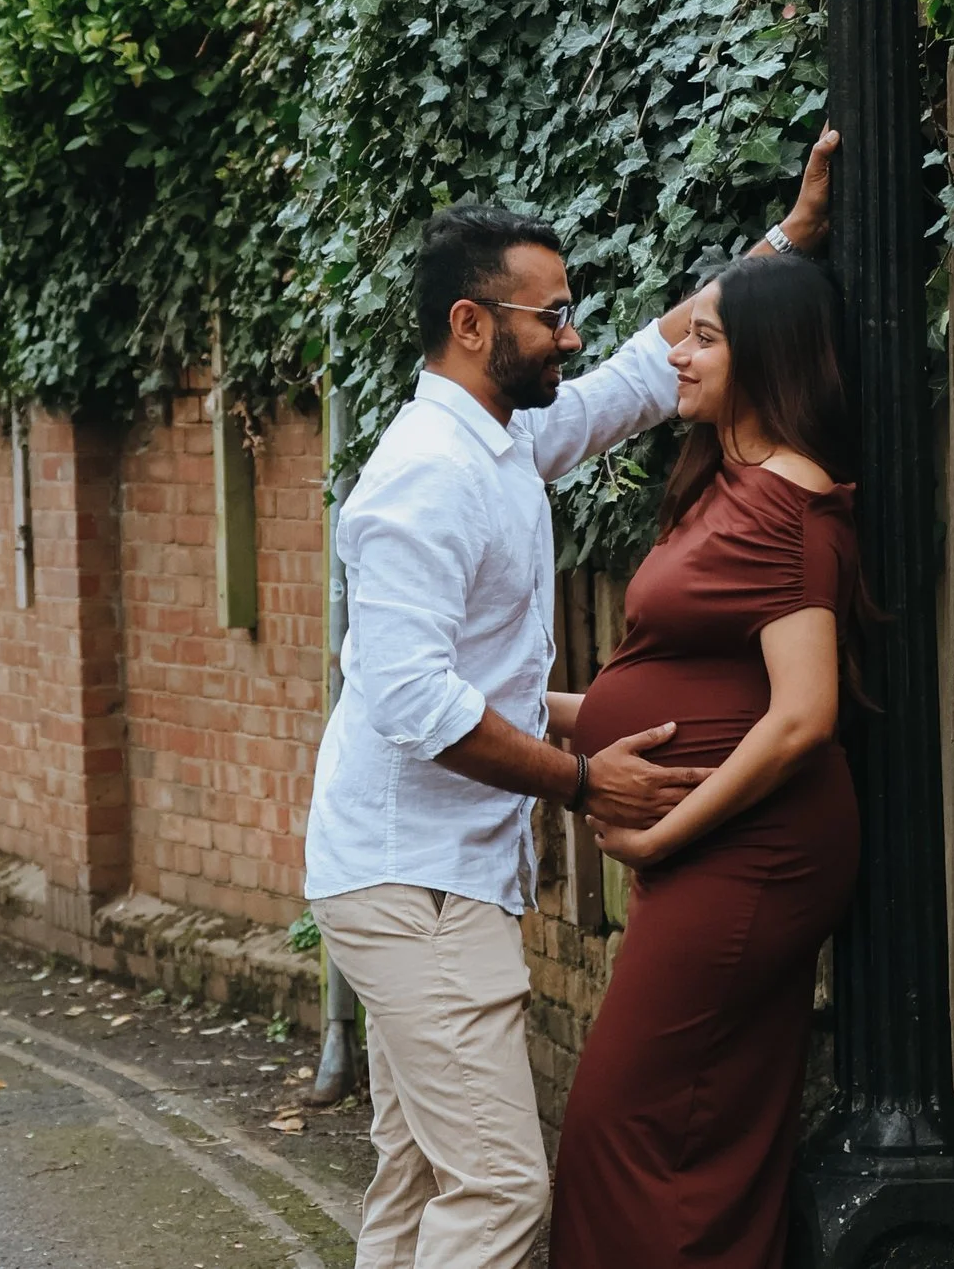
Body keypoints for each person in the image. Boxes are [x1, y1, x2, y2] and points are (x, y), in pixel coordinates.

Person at [304, 131, 835, 1269]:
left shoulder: (497, 437)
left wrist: (781, 245)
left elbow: (641, 374)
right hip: (413, 883)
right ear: (470, 324)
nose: (572, 330)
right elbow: (412, 701)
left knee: (417, 1173)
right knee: (496, 1191)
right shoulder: (419, 480)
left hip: (427, 876)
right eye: (550, 314)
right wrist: (585, 777)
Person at [548, 251, 869, 1269]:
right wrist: (496, 714)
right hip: (715, 852)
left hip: (754, 853)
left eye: (704, 337)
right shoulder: (725, 482)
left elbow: (802, 714)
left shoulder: (788, 506)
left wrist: (663, 830)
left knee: (622, 1119)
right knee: (709, 1125)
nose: (675, 352)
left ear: (766, 356)